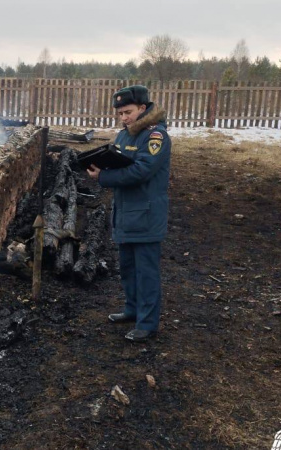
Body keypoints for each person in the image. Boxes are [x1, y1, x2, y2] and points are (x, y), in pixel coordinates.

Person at [86, 85, 171, 343]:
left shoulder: (156, 136)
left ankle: (148, 324)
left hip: (145, 215)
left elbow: (142, 171)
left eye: (128, 112)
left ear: (143, 109)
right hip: (125, 213)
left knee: (146, 272)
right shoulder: (124, 136)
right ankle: (133, 310)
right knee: (128, 268)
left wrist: (104, 176)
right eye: (120, 113)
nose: (124, 117)